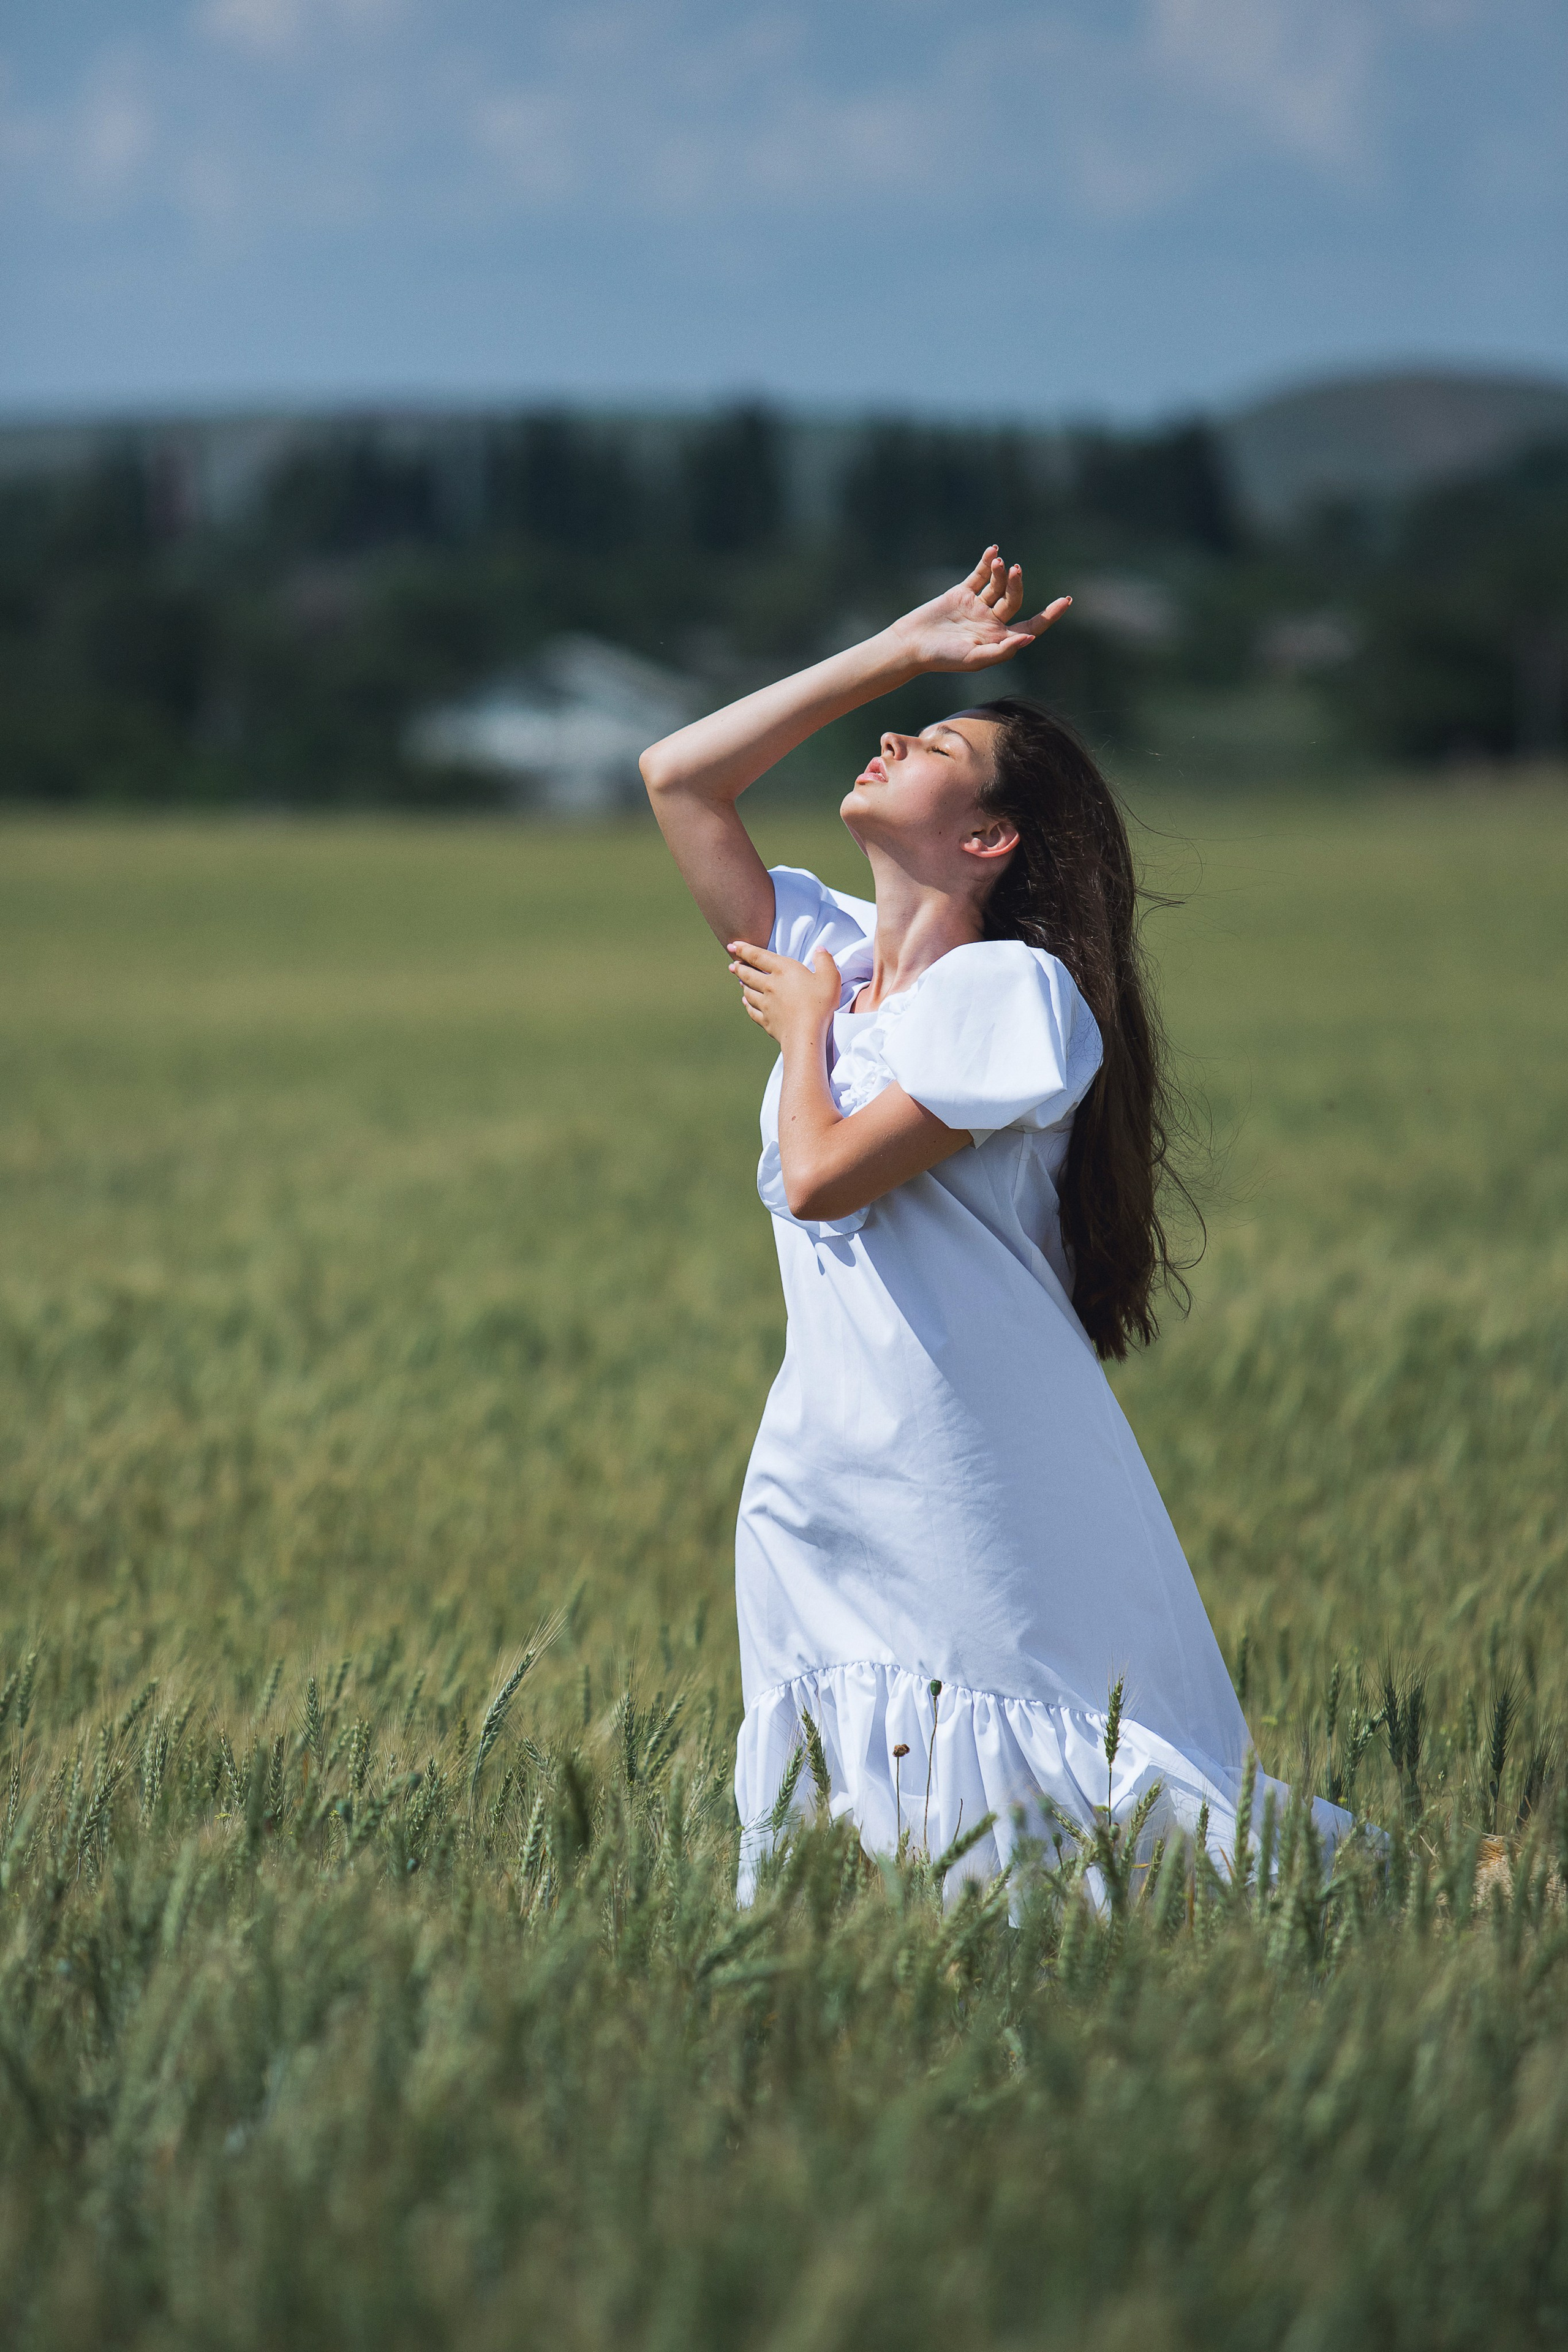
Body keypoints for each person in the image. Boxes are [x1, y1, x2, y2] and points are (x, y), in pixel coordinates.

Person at [641, 547, 1348, 1899]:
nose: (892, 738)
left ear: (988, 840)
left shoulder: (1011, 995)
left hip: (957, 1441)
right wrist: (898, 654)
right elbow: (678, 777)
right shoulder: (829, 945)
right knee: (854, 1803)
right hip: (823, 1445)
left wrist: (803, 1035)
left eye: (934, 744)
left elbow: (827, 1176)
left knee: (1045, 1763)